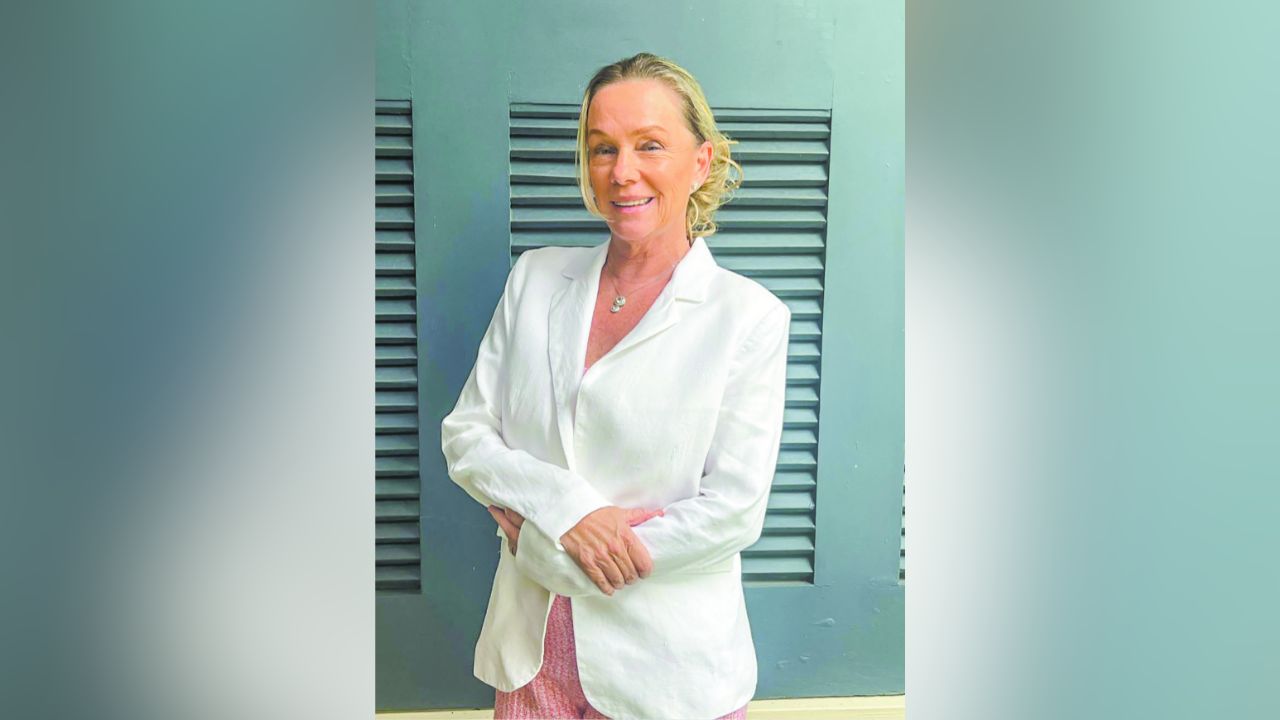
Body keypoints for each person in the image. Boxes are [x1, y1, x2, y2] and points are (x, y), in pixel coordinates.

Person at [441, 52, 790, 720]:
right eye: (603, 148)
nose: (622, 172)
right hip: (531, 655)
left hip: (669, 670)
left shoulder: (748, 317)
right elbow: (467, 435)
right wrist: (566, 510)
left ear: (701, 162)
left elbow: (734, 510)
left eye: (649, 145)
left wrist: (545, 547)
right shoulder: (535, 279)